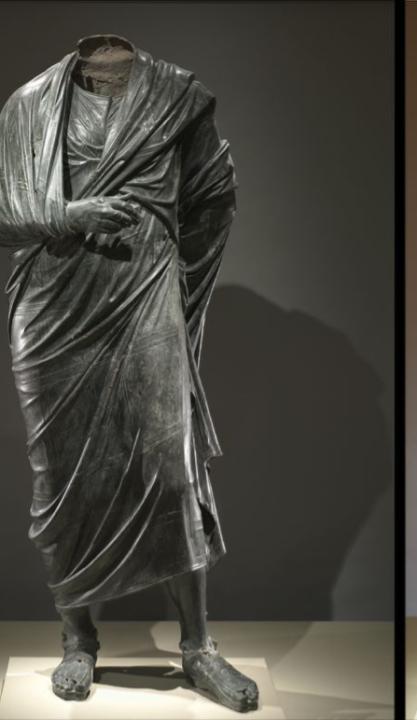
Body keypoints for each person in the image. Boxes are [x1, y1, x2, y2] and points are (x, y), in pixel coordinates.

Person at [0, 35, 256, 712]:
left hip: (144, 302)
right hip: (53, 312)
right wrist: (66, 215)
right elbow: (1, 215)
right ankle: (77, 640)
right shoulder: (28, 105)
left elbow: (213, 195)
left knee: (172, 470)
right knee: (62, 480)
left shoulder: (177, 96)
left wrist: (168, 274)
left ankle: (198, 646)